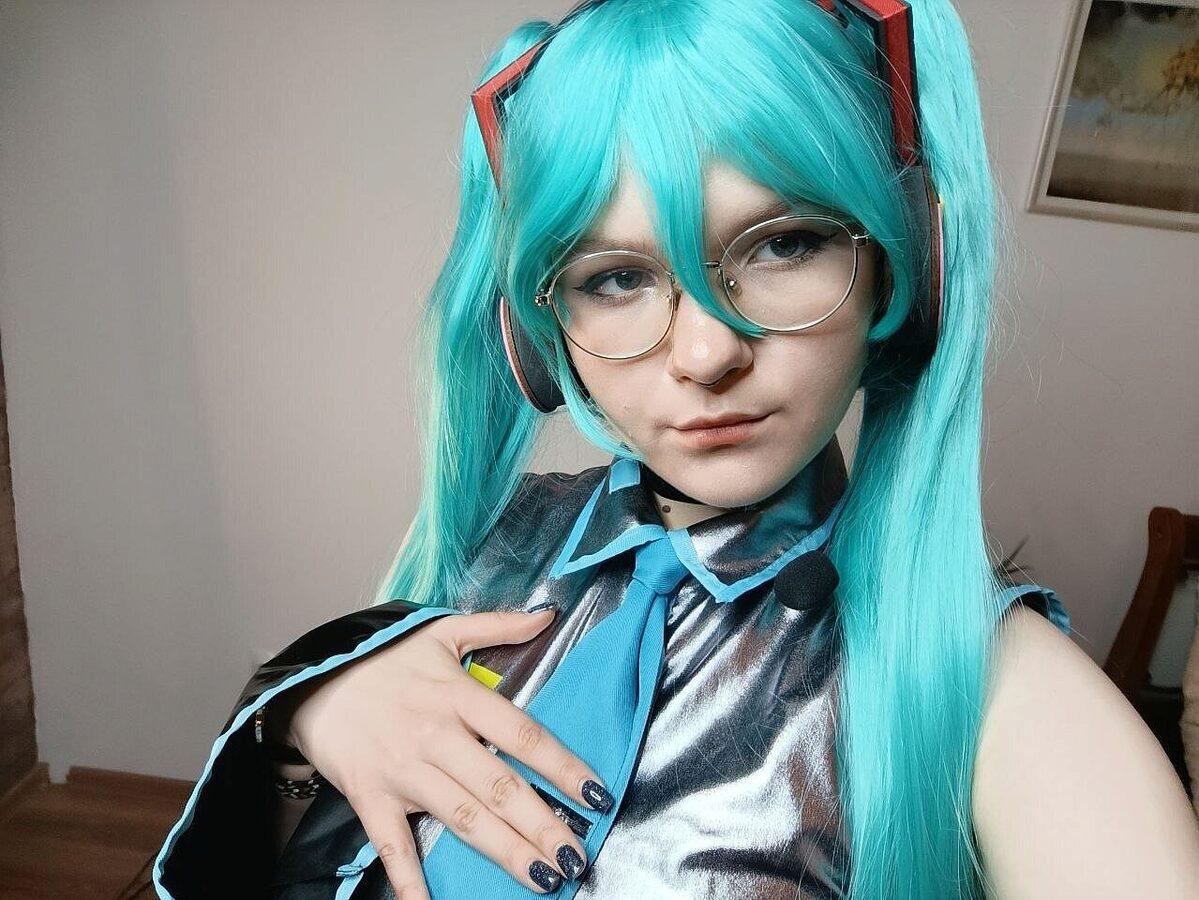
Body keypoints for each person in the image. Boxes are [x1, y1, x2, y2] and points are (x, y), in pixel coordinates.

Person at [153, 0, 1199, 897]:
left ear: (899, 266)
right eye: (615, 278)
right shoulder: (500, 546)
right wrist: (307, 716)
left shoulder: (989, 688)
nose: (704, 353)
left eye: (782, 243)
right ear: (537, 331)